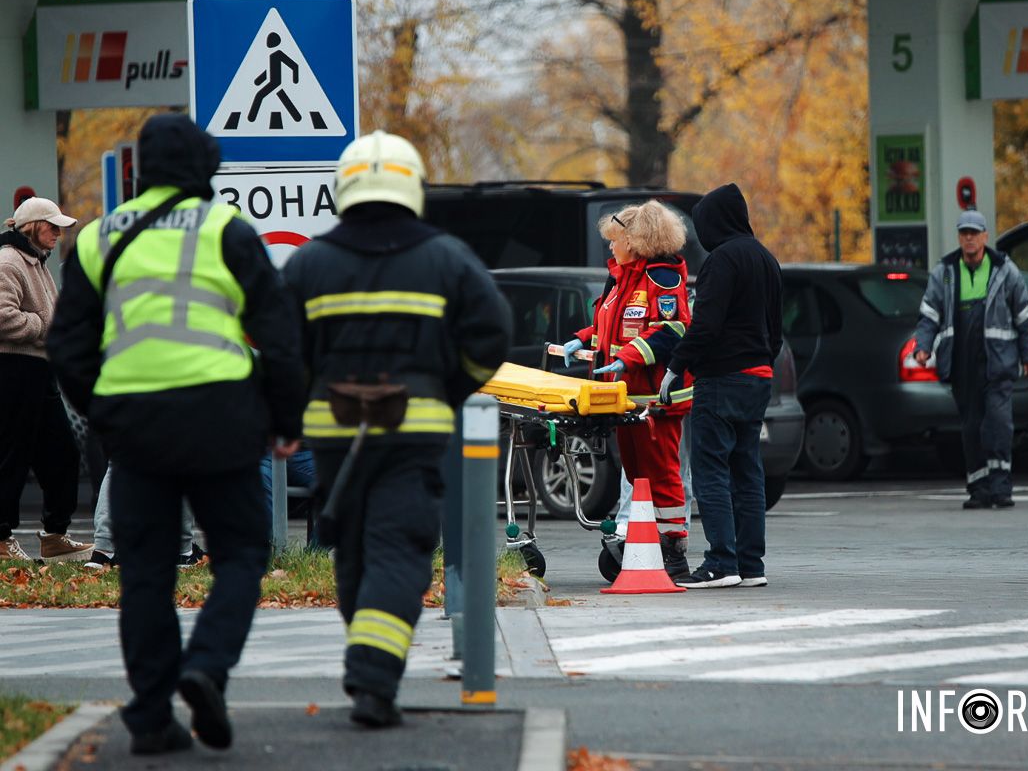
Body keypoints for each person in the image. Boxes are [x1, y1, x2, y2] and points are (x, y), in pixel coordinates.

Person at [48, 113, 306, 755]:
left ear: (139, 170)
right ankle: (206, 667)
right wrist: (284, 421)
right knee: (241, 554)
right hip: (223, 419)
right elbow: (280, 335)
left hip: (134, 425)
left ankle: (152, 718)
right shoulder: (227, 230)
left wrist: (103, 411)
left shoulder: (98, 238)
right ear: (205, 169)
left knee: (145, 573)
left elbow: (67, 346)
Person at [283, 130, 511, 728]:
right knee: (399, 549)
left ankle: (368, 665)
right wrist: (448, 388)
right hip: (414, 437)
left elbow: (284, 353)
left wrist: (294, 410)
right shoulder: (447, 258)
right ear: (412, 187)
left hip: (332, 436)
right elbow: (491, 335)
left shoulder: (309, 261)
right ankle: (373, 678)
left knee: (354, 548)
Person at [563, 200, 693, 577]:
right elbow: (608, 327)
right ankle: (646, 542)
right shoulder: (621, 279)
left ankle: (674, 550)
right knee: (637, 474)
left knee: (663, 474)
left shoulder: (662, 279)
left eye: (615, 240)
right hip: (626, 398)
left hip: (655, 399)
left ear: (634, 242)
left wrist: (630, 358)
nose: (610, 247)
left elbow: (672, 329)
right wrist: (579, 339)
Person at [661, 183, 781, 589]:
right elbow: (776, 328)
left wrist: (677, 365)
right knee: (747, 470)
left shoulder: (721, 261)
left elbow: (705, 325)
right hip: (758, 377)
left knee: (710, 469)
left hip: (721, 379)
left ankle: (720, 562)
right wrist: (760, 360)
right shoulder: (766, 258)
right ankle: (751, 565)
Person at [913, 209, 1028, 509]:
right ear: (960, 237)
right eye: (964, 233)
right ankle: (979, 489)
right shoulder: (944, 271)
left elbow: (1024, 315)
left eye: (974, 233)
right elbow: (929, 314)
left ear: (984, 237)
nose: (969, 238)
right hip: (962, 363)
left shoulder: (1004, 269)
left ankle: (1001, 487)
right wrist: (923, 346)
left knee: (998, 424)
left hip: (998, 363)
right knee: (971, 427)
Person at [0, 196, 93, 563]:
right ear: (32, 227)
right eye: (52, 226)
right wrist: (46, 328)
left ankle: (55, 535)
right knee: (11, 457)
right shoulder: (9, 261)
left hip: (38, 369)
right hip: (13, 370)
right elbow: (3, 316)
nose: (58, 233)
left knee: (62, 454)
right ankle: (2, 540)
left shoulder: (35, 262)